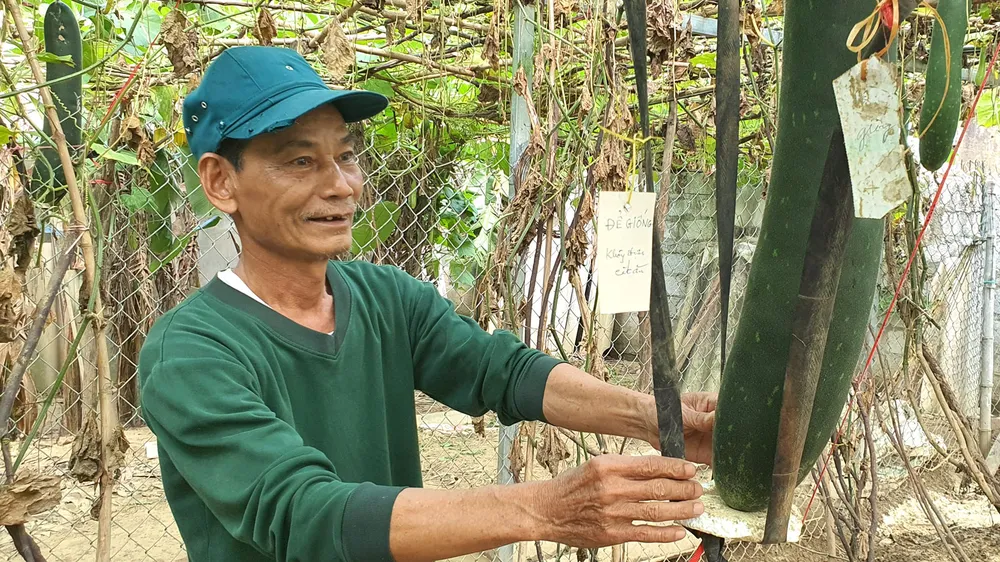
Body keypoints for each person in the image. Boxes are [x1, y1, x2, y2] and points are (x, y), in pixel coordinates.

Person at [138, 45, 717, 562]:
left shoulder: (385, 298)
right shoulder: (190, 353)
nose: (341, 184)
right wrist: (545, 508)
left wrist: (653, 418)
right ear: (220, 182)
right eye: (300, 161)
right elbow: (305, 514)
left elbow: (502, 370)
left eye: (346, 155)